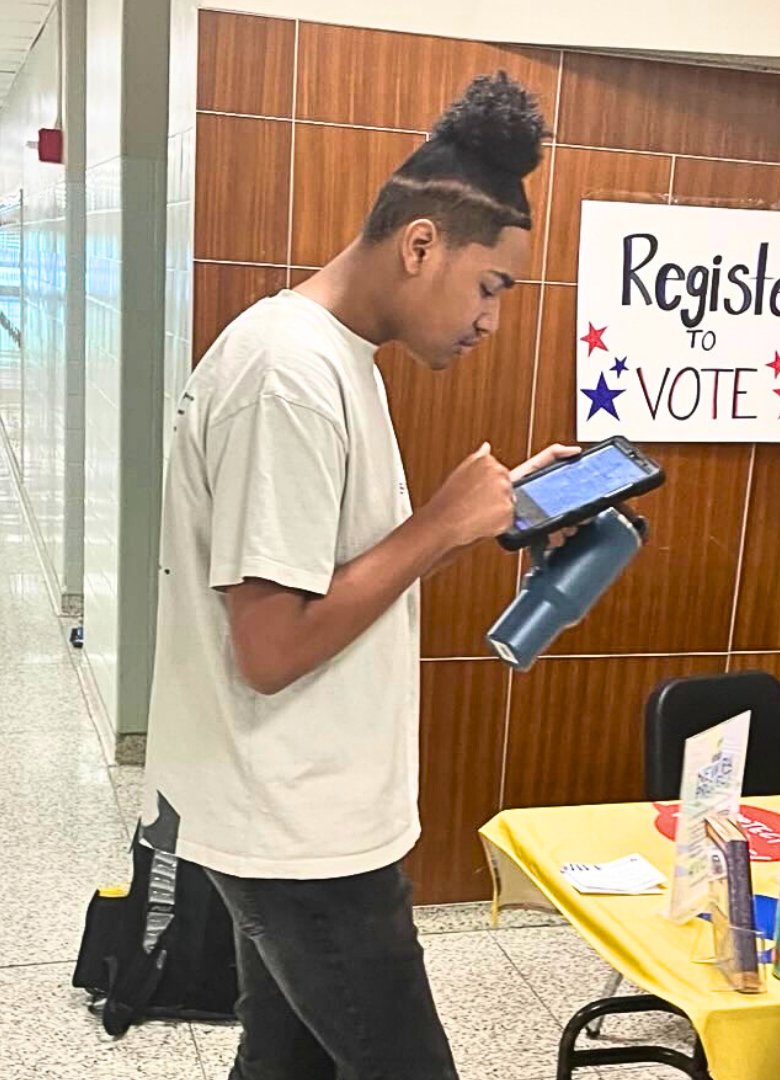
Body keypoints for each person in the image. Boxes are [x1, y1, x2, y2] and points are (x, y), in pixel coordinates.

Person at [141, 73, 573, 1079]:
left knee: (287, 1065)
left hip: (301, 817)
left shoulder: (333, 358)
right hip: (299, 835)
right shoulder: (287, 376)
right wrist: (441, 524)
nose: (491, 320)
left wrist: (481, 517)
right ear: (421, 244)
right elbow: (270, 646)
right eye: (490, 287)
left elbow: (334, 579)